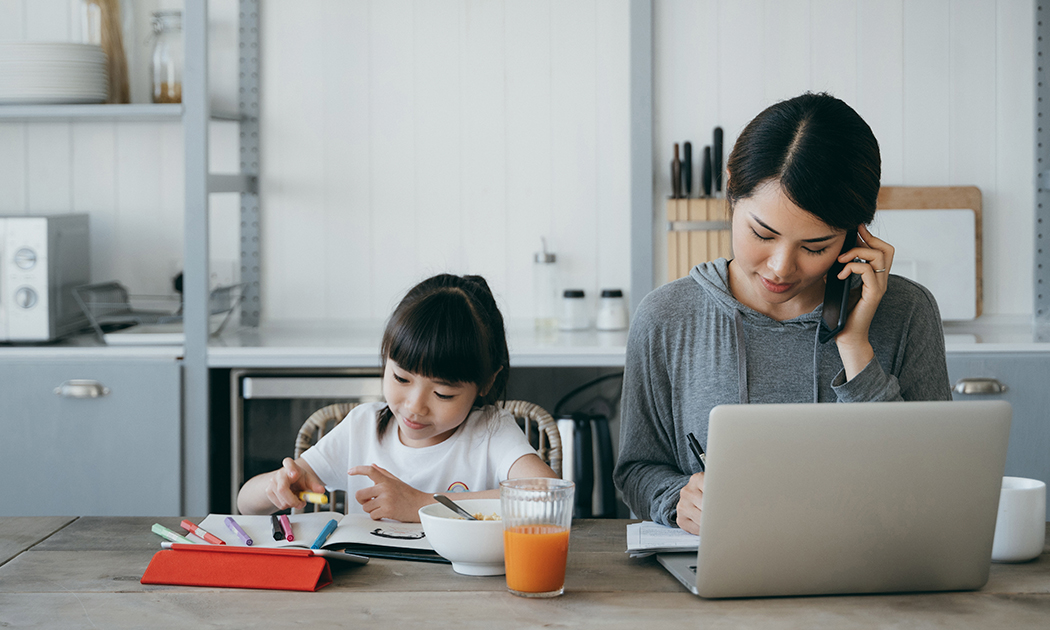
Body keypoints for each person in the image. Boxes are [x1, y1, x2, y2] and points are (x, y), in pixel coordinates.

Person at [614, 93, 952, 535]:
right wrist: (678, 498)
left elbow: (935, 482)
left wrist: (855, 347)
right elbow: (637, 469)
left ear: (856, 233)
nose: (781, 268)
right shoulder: (666, 318)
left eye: (816, 247)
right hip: (720, 578)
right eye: (761, 233)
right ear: (731, 187)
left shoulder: (907, 313)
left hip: (873, 576)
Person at [238, 274, 558, 521]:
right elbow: (245, 503)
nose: (415, 406)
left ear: (487, 383)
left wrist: (420, 503)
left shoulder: (490, 432)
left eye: (443, 393)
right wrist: (278, 485)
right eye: (401, 378)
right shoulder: (361, 429)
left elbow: (549, 497)